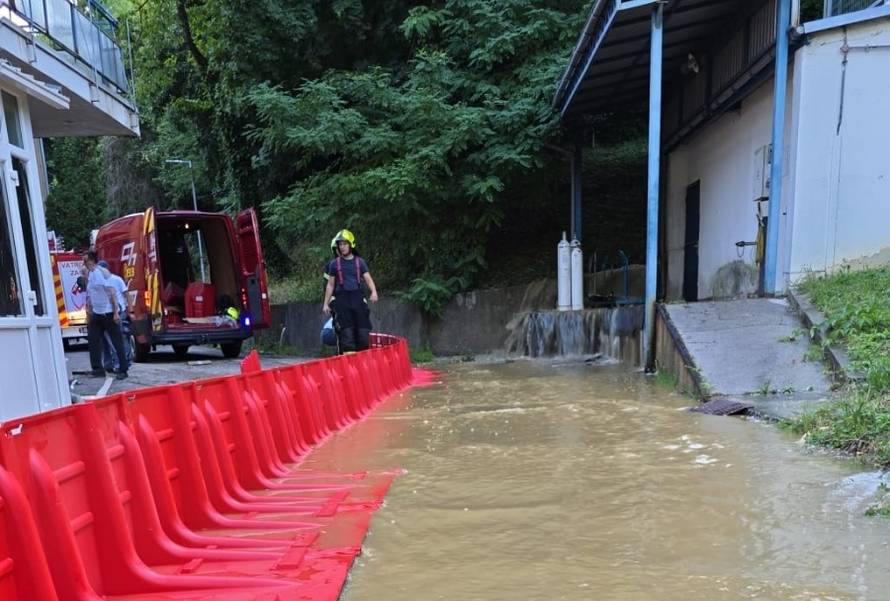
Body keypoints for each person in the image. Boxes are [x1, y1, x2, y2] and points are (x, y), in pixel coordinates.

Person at [322, 229, 378, 353]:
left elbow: (368, 278)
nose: (342, 247)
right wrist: (326, 303)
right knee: (347, 337)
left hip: (357, 300)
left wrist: (374, 291)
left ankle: (362, 366)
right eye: (340, 244)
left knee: (363, 335)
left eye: (345, 244)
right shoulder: (334, 265)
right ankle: (350, 369)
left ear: (351, 244)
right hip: (342, 303)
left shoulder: (360, 262)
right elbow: (330, 285)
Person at [82, 251, 128, 379]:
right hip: (97, 312)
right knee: (93, 339)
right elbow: (91, 295)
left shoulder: (100, 273)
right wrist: (89, 312)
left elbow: (112, 292)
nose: (83, 264)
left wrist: (115, 313)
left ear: (91, 261)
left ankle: (123, 369)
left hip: (108, 312)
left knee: (117, 341)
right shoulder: (90, 274)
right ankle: (97, 369)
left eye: (85, 261)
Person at [98, 260, 131, 373]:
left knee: (117, 339)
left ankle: (121, 362)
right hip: (108, 313)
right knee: (113, 339)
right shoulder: (103, 281)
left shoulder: (116, 279)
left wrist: (128, 308)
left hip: (117, 312)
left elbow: (126, 293)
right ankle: (117, 362)